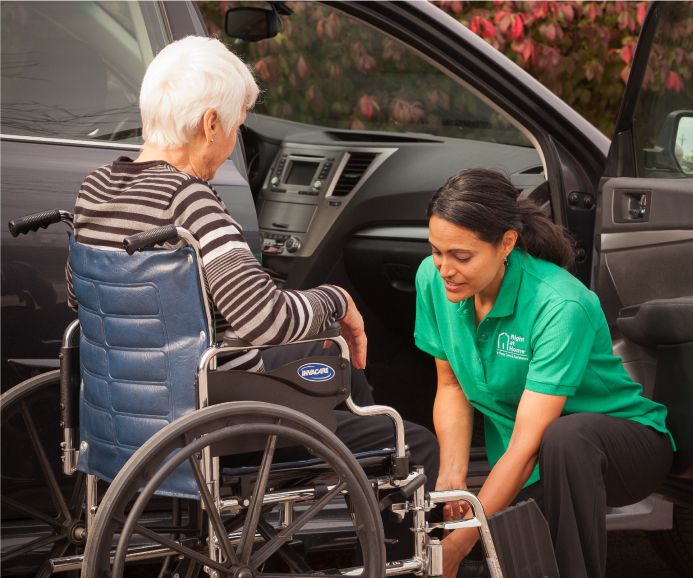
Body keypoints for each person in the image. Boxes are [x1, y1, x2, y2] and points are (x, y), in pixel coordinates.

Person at [65, 35, 438, 567]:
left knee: (336, 369)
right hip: (214, 419)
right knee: (410, 440)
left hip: (123, 414)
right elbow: (263, 318)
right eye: (238, 123)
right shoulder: (191, 202)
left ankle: (345, 436)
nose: (234, 137)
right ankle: (383, 530)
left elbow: (86, 301)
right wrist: (339, 301)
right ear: (211, 123)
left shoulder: (95, 188)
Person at [414, 168, 674, 578]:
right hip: (534, 457)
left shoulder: (559, 305)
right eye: (436, 251)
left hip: (622, 445)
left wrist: (461, 542)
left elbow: (528, 444)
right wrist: (453, 477)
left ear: (507, 244)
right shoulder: (434, 281)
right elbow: (451, 385)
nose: (444, 268)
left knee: (564, 439)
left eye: (461, 256)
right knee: (506, 558)